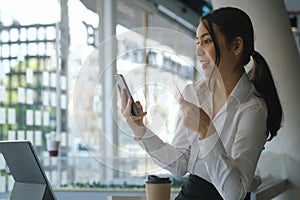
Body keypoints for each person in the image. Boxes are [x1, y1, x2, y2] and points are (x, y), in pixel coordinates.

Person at [118, 7, 283, 200]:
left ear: (236, 46)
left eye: (207, 41)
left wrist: (206, 130)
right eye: (198, 42)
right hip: (190, 193)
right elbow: (180, 164)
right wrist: (139, 129)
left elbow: (234, 193)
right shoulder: (194, 94)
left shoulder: (252, 108)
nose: (198, 51)